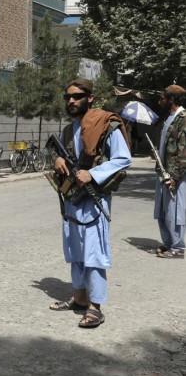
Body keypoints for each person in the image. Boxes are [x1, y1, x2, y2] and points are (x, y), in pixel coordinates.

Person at [48, 78, 132, 328]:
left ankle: (96, 306)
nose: (71, 101)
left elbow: (123, 159)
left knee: (94, 253)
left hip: (95, 199)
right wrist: (58, 161)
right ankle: (80, 297)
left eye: (77, 96)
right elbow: (63, 156)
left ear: (90, 98)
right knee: (75, 250)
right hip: (72, 198)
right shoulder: (68, 129)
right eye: (68, 97)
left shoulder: (108, 124)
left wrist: (93, 174)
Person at [153, 85, 186, 259]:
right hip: (163, 172)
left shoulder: (183, 118)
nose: (160, 101)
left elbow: (184, 151)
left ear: (171, 100)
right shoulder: (168, 118)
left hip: (175, 176)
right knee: (162, 210)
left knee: (175, 211)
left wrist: (175, 176)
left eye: (162, 98)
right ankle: (168, 243)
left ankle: (178, 247)